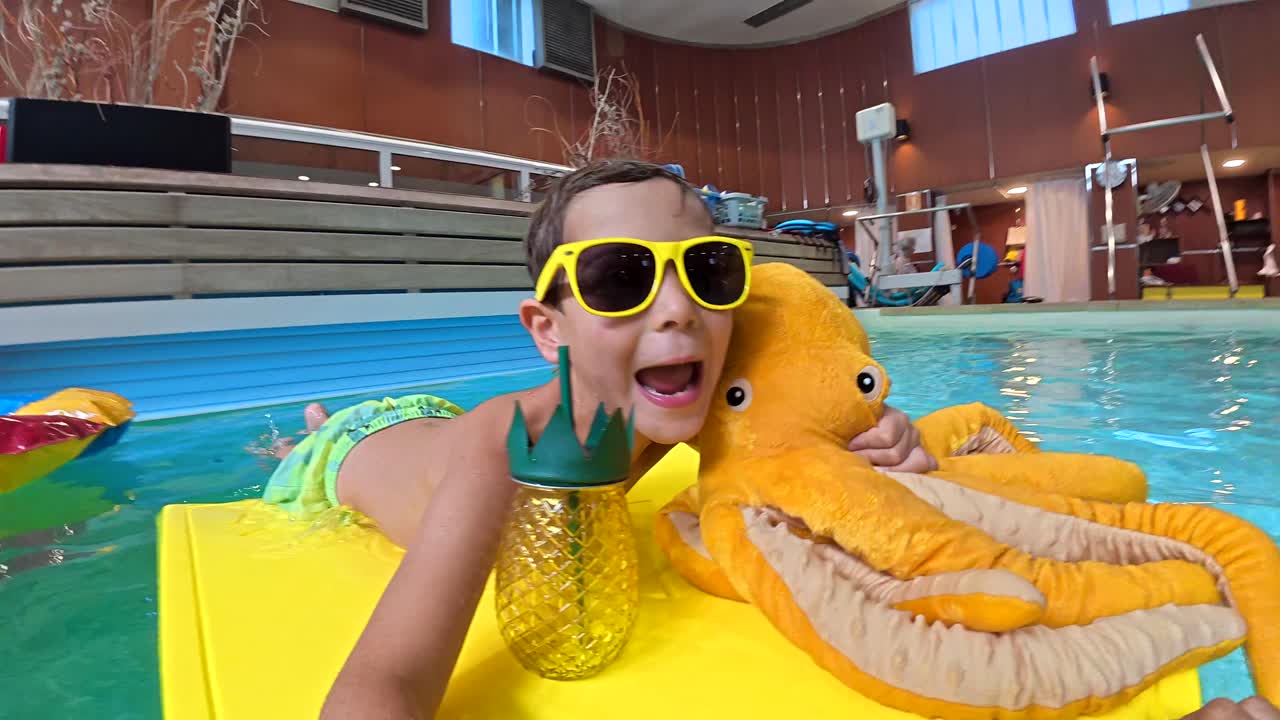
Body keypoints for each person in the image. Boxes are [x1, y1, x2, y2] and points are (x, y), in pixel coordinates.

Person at [253, 160, 933, 719]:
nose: (678, 311)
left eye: (709, 271)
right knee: (308, 448)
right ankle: (313, 432)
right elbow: (383, 683)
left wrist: (881, 437)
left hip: (442, 421)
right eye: (618, 278)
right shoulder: (505, 453)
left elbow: (806, 443)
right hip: (360, 450)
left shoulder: (686, 396)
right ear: (548, 330)